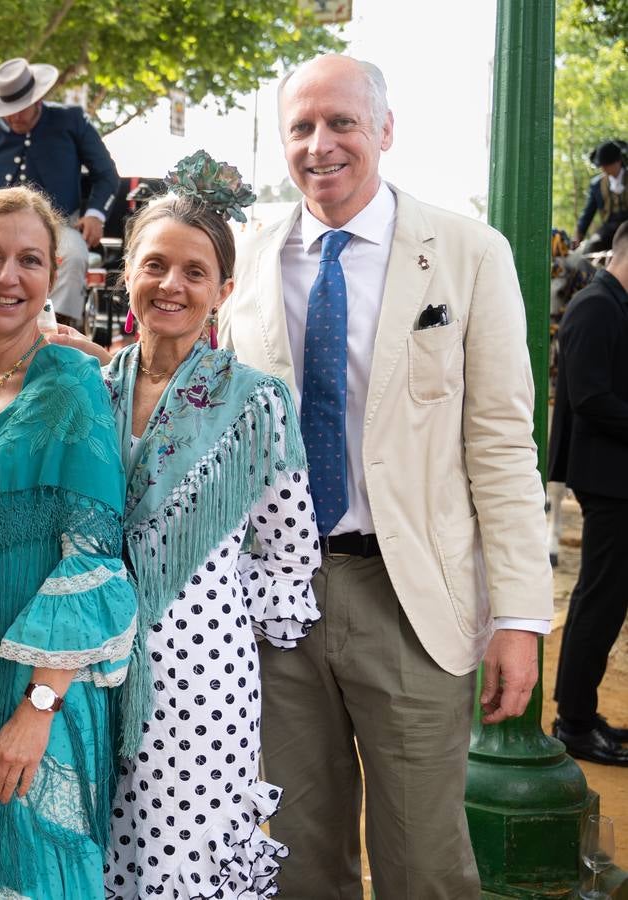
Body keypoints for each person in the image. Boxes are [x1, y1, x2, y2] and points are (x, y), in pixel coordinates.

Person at [219, 54, 552, 896]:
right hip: (276, 607)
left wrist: (518, 614)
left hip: (411, 602)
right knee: (296, 852)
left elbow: (505, 445)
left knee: (423, 861)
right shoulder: (251, 261)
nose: (320, 145)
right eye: (301, 127)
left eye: (342, 123)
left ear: (385, 131)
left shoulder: (470, 253)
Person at [98, 153, 320, 898]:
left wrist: (199, 600)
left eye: (195, 272)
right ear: (127, 272)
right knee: (99, 852)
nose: (172, 285)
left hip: (200, 683)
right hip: (86, 671)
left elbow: (290, 554)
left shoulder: (256, 402)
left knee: (182, 858)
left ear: (223, 290)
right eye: (155, 264)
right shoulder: (90, 390)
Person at [0, 186, 137, 899]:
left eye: (30, 260)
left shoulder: (72, 383)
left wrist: (38, 709)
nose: (9, 276)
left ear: (52, 275)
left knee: (35, 860)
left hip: (42, 690)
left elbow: (96, 557)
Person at [0, 58, 119, 329]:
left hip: (58, 226)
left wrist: (95, 214)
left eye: (21, 109)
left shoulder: (71, 120)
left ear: (39, 99)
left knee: (74, 256)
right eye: (8, 110)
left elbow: (106, 174)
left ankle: (58, 335)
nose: (14, 117)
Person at [551, 222, 628, 765]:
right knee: (598, 603)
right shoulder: (596, 306)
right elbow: (591, 396)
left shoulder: (612, 304)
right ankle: (574, 723)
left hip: (615, 476)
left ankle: (582, 713)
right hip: (607, 481)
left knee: (605, 602)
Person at [574, 140, 628, 251]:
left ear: (617, 161)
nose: (603, 168)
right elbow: (588, 212)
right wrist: (579, 234)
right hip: (609, 228)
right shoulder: (597, 185)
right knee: (591, 246)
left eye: (606, 165)